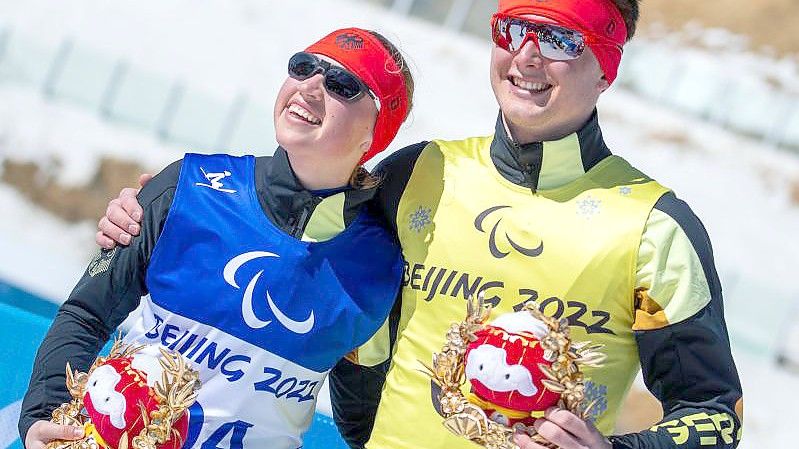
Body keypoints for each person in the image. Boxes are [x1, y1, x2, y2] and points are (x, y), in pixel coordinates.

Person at [95, 1, 744, 448]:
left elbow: (712, 414)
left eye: (559, 38)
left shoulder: (653, 227)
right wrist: (152, 213)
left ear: (606, 66)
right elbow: (284, 234)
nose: (525, 57)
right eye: (511, 29)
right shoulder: (419, 173)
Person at [19, 27, 415, 449]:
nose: (311, 86)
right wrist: (45, 414)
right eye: (304, 68)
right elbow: (87, 314)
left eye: (343, 85)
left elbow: (363, 420)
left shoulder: (378, 268)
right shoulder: (188, 188)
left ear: (375, 134)